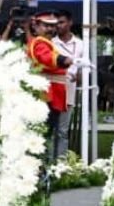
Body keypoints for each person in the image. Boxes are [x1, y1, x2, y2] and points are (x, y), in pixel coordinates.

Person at [26, 11, 88, 159]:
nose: (50, 29)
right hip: (47, 94)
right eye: (46, 26)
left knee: (51, 131)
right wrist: (70, 61)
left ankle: (48, 166)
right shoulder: (40, 43)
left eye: (52, 26)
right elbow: (48, 58)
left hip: (55, 93)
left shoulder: (44, 42)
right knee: (44, 134)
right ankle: (42, 168)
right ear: (36, 26)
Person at [53, 10, 84, 158]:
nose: (58, 26)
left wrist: (80, 75)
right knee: (51, 129)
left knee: (63, 130)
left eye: (62, 22)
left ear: (70, 23)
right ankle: (49, 163)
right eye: (56, 23)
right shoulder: (51, 43)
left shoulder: (80, 44)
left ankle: (61, 164)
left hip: (69, 90)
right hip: (53, 89)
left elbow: (86, 67)